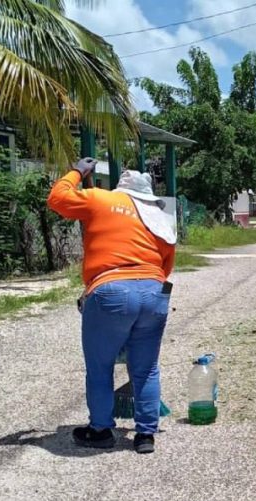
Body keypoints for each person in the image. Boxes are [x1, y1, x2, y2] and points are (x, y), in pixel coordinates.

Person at [48, 158, 177, 454]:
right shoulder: (158, 216)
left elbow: (57, 198)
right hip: (155, 291)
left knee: (100, 367)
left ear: (122, 189)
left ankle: (101, 430)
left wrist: (78, 171)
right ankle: (145, 435)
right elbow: (167, 265)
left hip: (110, 291)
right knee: (146, 369)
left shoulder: (100, 199)